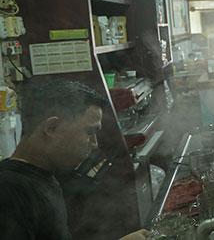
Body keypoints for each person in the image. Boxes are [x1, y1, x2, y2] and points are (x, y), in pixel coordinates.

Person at [0, 79, 149, 240]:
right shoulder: (9, 193)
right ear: (51, 128)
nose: (94, 144)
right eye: (89, 132)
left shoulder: (46, 177)